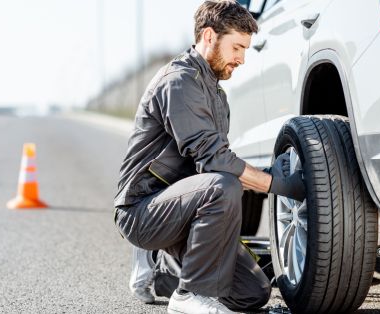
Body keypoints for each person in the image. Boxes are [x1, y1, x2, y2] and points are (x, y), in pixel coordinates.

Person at [114, 1, 306, 313]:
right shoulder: (179, 82)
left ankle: (159, 267)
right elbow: (217, 167)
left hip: (182, 207)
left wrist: (267, 172)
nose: (242, 59)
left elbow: (214, 166)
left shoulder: (217, 96)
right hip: (141, 210)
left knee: (252, 292)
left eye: (245, 49)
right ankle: (189, 296)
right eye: (237, 47)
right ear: (208, 36)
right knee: (222, 188)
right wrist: (273, 183)